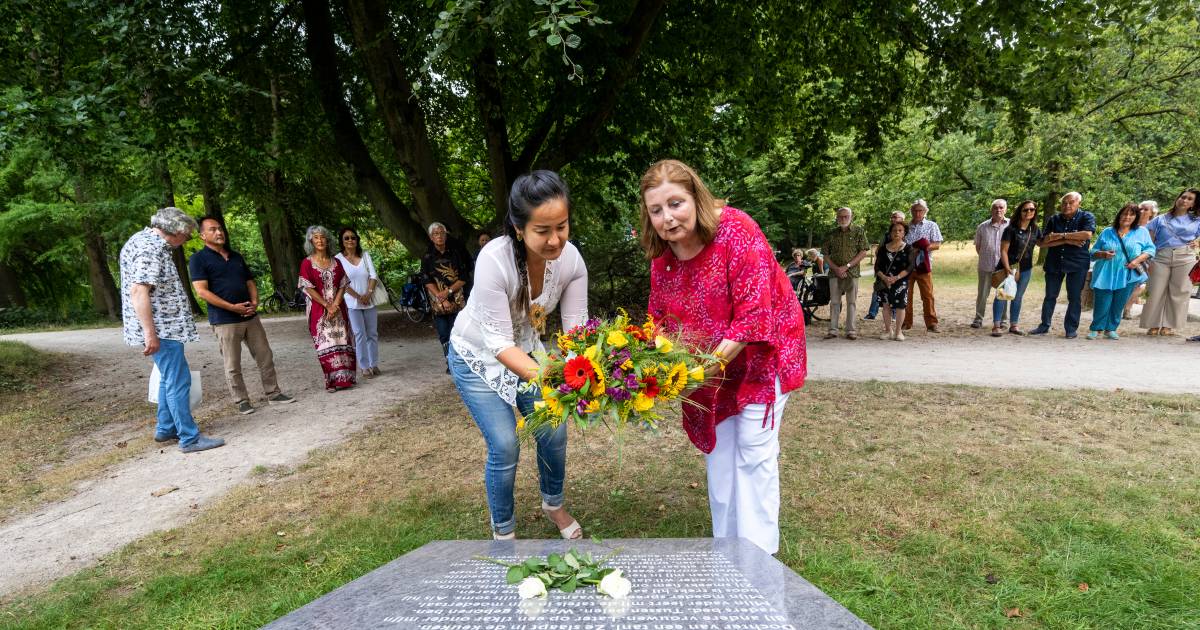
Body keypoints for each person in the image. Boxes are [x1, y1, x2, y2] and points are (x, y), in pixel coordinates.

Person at [640, 159, 806, 555]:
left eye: (676, 203)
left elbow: (752, 318)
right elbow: (657, 324)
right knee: (720, 450)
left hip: (764, 354)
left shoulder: (736, 229)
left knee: (752, 447)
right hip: (710, 368)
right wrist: (649, 367)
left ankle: (759, 555)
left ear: (696, 197)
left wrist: (697, 372)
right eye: (656, 210)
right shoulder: (662, 261)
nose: (668, 218)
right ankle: (726, 550)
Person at [447, 170, 587, 540]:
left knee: (553, 429)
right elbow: (498, 345)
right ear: (518, 227)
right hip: (477, 356)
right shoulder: (494, 260)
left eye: (562, 226)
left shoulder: (572, 261)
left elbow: (576, 334)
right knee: (505, 443)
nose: (555, 239)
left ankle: (552, 504)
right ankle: (504, 532)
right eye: (543, 231)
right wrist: (556, 380)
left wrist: (585, 374)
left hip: (525, 350)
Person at [119, 207, 225, 453]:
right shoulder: (150, 249)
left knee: (169, 378)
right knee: (179, 380)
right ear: (175, 232)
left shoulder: (143, 240)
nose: (186, 240)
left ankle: (166, 427)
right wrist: (150, 333)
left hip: (166, 326)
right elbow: (139, 291)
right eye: (186, 235)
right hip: (162, 328)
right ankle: (189, 438)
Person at [189, 217, 295, 414]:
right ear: (202, 235)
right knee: (232, 363)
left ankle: (273, 393)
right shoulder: (198, 259)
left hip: (250, 317)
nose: (219, 232)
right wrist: (232, 307)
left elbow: (250, 281)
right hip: (225, 321)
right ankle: (241, 400)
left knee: (265, 355)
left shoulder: (236, 256)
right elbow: (202, 292)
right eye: (213, 230)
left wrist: (255, 302)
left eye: (220, 229)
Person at [298, 225, 357, 392]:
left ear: (327, 240)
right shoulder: (306, 263)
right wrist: (327, 305)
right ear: (311, 240)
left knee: (342, 341)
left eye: (322, 237)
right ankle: (332, 381)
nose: (320, 240)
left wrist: (335, 305)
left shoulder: (336, 262)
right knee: (325, 344)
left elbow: (342, 285)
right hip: (319, 311)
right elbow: (307, 287)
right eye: (316, 237)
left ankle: (346, 378)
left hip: (339, 309)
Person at [1030, 192, 1096, 338]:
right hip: (1055, 261)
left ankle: (1071, 329)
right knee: (1050, 296)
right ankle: (1044, 325)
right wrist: (1069, 240)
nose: (1067, 205)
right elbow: (1045, 241)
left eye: (1071, 202)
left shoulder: (1086, 217)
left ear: (1079, 203)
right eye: (1064, 203)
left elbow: (1086, 235)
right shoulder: (1054, 219)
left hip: (1077, 263)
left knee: (1074, 297)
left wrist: (1061, 236)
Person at [1088, 203, 1155, 340]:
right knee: (1102, 302)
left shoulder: (1141, 232)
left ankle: (1111, 328)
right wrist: (1103, 254)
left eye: (1131, 214)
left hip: (1127, 274)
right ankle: (1096, 328)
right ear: (1119, 215)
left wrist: (1136, 261)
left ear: (1136, 217)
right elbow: (1092, 252)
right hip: (1105, 272)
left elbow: (1150, 250)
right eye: (1125, 213)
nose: (1127, 217)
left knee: (1119, 303)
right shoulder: (1107, 231)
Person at [1140, 188, 1200, 336]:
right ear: (1178, 198)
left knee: (1180, 291)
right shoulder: (1160, 219)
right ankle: (1153, 324)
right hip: (1161, 256)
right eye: (1183, 197)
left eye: (1189, 199)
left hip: (1185, 256)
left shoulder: (1197, 221)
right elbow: (1149, 240)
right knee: (1154, 290)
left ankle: (1169, 325)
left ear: (1193, 204)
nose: (1184, 200)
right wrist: (1147, 259)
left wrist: (1197, 242)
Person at [422, 222, 474, 372]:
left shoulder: (455, 253)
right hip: (438, 301)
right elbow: (427, 280)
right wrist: (442, 297)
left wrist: (448, 292)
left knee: (458, 331)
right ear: (431, 237)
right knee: (444, 333)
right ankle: (450, 362)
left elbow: (464, 277)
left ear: (446, 235)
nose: (439, 236)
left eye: (442, 233)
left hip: (457, 298)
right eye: (436, 234)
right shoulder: (427, 257)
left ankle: (461, 361)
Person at [335, 227, 382, 378]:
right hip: (352, 303)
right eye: (346, 238)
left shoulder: (365, 255)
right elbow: (341, 282)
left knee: (372, 334)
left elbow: (373, 276)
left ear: (357, 240)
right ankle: (364, 366)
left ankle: (374, 363)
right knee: (359, 334)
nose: (350, 240)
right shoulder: (338, 259)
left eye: (353, 237)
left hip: (369, 301)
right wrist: (357, 297)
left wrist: (368, 294)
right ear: (342, 241)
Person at [821, 207, 870, 340]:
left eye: (846, 216)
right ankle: (833, 329)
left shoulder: (859, 231)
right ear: (836, 217)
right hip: (834, 272)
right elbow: (825, 254)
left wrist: (846, 267)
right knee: (835, 302)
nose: (843, 219)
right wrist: (836, 268)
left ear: (851, 217)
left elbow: (863, 251)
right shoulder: (831, 233)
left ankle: (851, 330)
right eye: (840, 216)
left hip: (852, 272)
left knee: (851, 302)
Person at [995, 200, 1042, 336]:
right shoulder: (1011, 229)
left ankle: (1014, 325)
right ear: (1020, 212)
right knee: (1002, 296)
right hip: (1009, 267)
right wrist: (1007, 268)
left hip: (1026, 269)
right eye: (1025, 210)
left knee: (1018, 297)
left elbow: (1042, 243)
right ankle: (996, 326)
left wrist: (1062, 238)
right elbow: (1003, 250)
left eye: (1032, 210)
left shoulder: (1035, 229)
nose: (1029, 212)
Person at [903, 200, 943, 332]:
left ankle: (931, 323)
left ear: (925, 211)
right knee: (906, 295)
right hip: (907, 267)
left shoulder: (932, 225)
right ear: (911, 211)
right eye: (915, 210)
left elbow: (937, 244)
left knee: (927, 295)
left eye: (920, 210)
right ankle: (906, 322)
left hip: (923, 266)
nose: (917, 213)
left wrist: (922, 248)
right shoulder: (905, 226)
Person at [873, 222, 914, 341]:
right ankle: (888, 330)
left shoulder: (908, 248)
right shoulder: (882, 249)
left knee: (900, 306)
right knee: (886, 306)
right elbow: (877, 267)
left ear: (904, 233)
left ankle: (898, 332)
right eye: (894, 230)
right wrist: (885, 278)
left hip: (901, 282)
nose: (897, 232)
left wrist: (896, 278)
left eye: (900, 230)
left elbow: (910, 267)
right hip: (884, 281)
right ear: (890, 233)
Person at [973, 199, 1009, 329]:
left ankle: (1003, 320)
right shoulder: (982, 226)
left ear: (1005, 209)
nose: (998, 210)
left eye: (1001, 207)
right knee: (982, 294)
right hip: (985, 266)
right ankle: (978, 319)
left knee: (1003, 294)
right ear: (991, 210)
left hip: (1004, 267)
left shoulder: (1011, 225)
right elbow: (978, 247)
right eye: (995, 207)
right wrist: (987, 257)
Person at [865, 210, 906, 320]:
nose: (892, 219)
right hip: (883, 269)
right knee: (878, 289)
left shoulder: (904, 234)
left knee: (896, 290)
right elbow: (879, 250)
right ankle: (872, 313)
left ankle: (893, 314)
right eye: (892, 217)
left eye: (895, 217)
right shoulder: (887, 234)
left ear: (902, 219)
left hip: (898, 270)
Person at [1123, 200, 1159, 319]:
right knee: (1125, 283)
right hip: (1126, 258)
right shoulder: (1129, 222)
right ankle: (1119, 307)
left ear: (1152, 213)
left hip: (1145, 260)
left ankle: (1127, 309)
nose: (1142, 211)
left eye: (1146, 209)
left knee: (1139, 284)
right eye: (1140, 208)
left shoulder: (1154, 226)